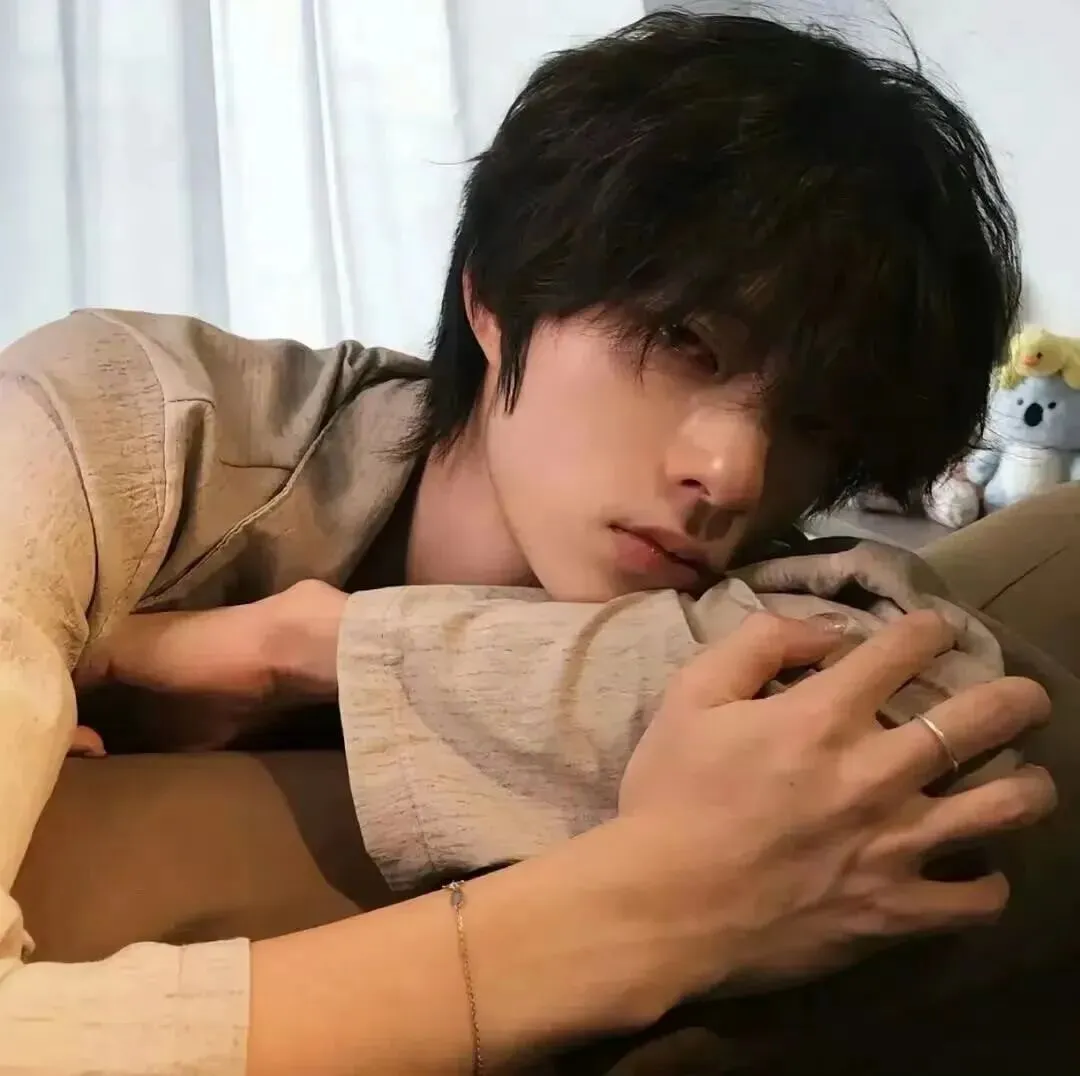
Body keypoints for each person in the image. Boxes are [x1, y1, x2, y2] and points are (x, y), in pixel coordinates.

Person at [0, 10, 1066, 1075]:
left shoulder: (756, 594)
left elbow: (945, 701)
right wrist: (647, 915)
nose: (735, 471)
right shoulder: (112, 426)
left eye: (815, 421)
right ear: (498, 296)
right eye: (683, 340)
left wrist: (314, 646)